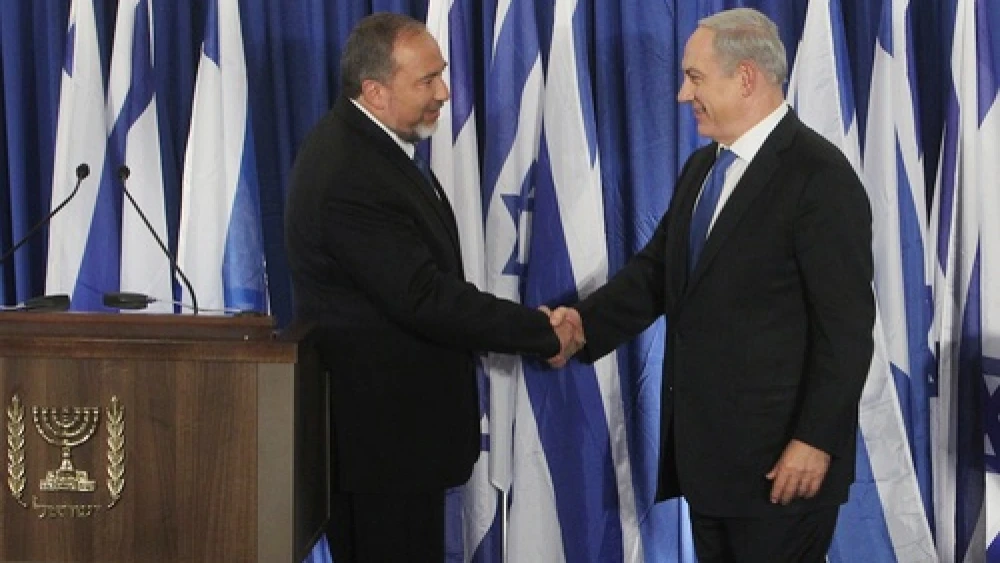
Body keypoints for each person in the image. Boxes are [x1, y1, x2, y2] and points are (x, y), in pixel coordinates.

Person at [550, 8, 874, 562]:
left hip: (781, 468)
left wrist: (816, 440)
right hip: (712, 465)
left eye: (695, 77)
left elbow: (846, 330)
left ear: (745, 78)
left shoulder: (819, 178)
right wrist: (582, 326)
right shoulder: (704, 168)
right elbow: (657, 273)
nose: (681, 94)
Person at [284, 13, 581, 562]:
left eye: (441, 75)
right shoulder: (351, 171)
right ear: (374, 91)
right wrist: (540, 331)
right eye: (427, 81)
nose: (445, 93)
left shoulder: (373, 150)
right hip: (382, 449)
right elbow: (424, 296)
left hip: (396, 444)